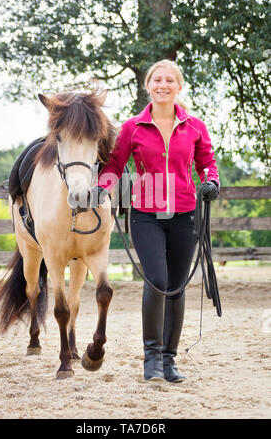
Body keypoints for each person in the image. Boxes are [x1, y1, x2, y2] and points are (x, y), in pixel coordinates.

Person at [91, 59, 219, 382]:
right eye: (157, 80)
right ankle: (151, 358)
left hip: (185, 213)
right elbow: (115, 166)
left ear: (178, 86)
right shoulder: (133, 127)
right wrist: (102, 188)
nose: (163, 85)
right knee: (157, 280)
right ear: (148, 86)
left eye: (169, 80)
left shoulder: (195, 127)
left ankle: (169, 360)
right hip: (146, 214)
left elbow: (207, 163)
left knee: (176, 287)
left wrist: (211, 182)